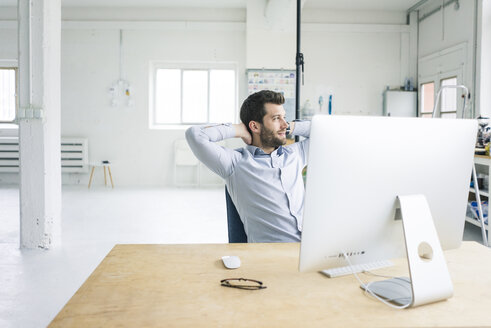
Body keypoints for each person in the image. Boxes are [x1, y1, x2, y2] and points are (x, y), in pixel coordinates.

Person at [186, 90, 310, 242]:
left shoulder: (295, 154)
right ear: (255, 126)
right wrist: (239, 130)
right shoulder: (235, 163)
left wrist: (289, 126)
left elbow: (322, 132)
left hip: (309, 247)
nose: (284, 124)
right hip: (272, 255)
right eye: (276, 118)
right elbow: (195, 135)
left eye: (284, 117)